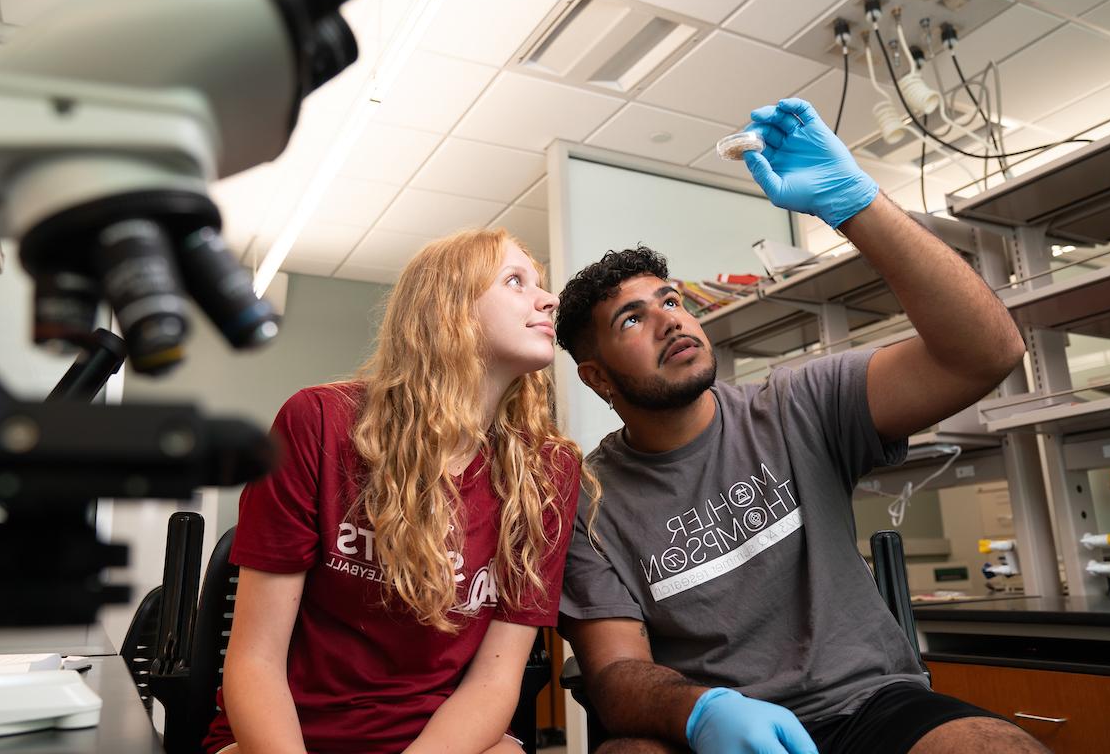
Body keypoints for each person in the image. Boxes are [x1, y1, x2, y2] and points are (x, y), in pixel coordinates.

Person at [553, 98, 1045, 754]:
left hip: (868, 702)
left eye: (671, 300)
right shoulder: (587, 500)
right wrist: (703, 712)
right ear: (599, 379)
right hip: (715, 729)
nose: (671, 319)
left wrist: (856, 204)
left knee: (994, 747)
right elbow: (615, 670)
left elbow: (988, 354)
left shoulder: (795, 404)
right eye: (632, 318)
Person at [203, 227, 590, 754]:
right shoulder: (320, 423)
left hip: (435, 740)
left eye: (540, 283)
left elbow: (494, 682)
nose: (548, 299)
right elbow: (255, 660)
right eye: (515, 281)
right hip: (289, 735)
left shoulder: (548, 471)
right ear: (448, 310)